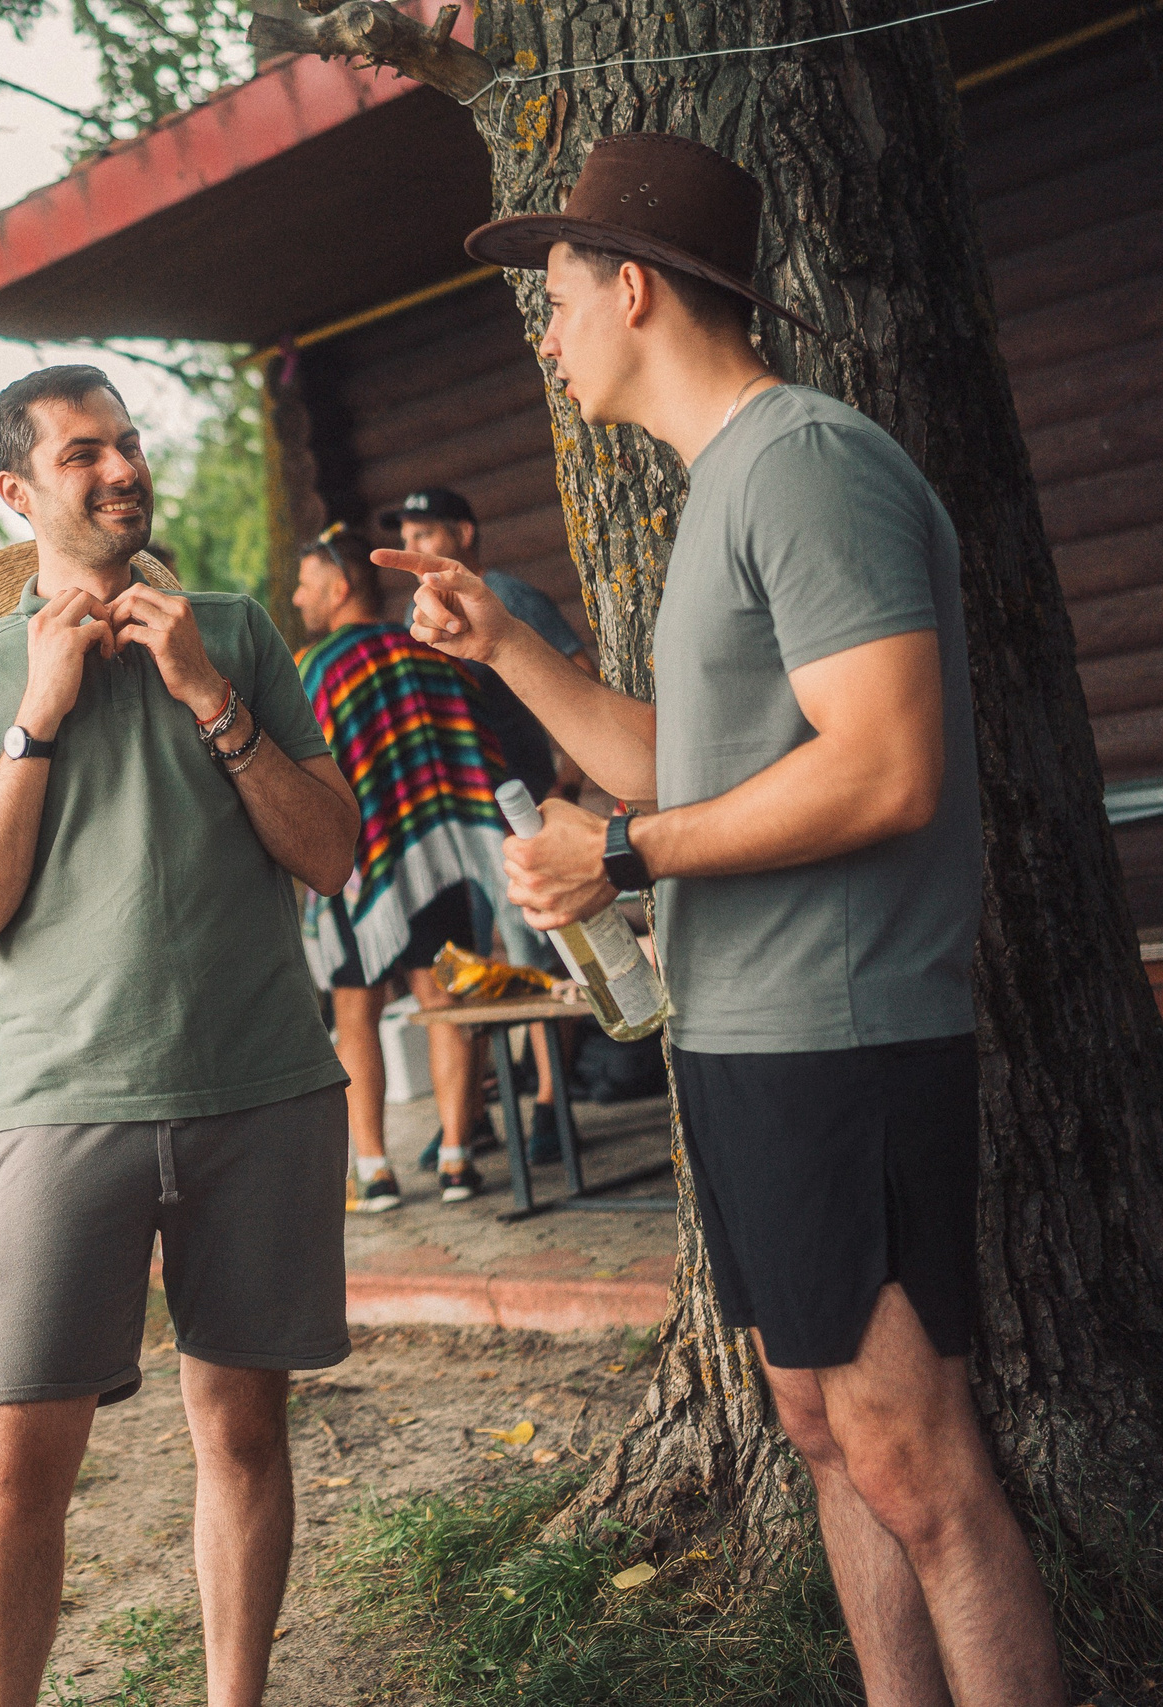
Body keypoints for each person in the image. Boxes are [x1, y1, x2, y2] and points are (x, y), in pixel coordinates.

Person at [401, 131, 1063, 1707]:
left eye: (554, 298)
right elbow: (705, 767)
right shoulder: (726, 491)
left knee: (921, 1466)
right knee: (829, 1434)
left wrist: (622, 856)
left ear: (633, 288)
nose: (545, 337)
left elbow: (889, 767)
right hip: (751, 1042)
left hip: (849, 1035)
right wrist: (505, 647)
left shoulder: (809, 464)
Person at [0, 366, 362, 1707]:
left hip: (263, 1088)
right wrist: (36, 714)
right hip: (61, 1108)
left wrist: (209, 691)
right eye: (83, 451)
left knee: (242, 1426)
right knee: (16, 1458)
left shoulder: (235, 632)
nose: (120, 469)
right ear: (19, 490)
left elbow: (332, 852)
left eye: (128, 442)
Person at [382, 487, 599, 1163]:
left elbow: (579, 675)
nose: (417, 546)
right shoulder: (429, 613)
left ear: (465, 534)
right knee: (485, 958)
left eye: (428, 532)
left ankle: (548, 1107)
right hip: (469, 814)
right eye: (407, 532)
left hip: (522, 801)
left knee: (543, 948)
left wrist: (564, 784)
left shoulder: (503, 591)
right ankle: (472, 1114)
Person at [292, 525, 505, 1209]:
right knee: (444, 998)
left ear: (339, 584)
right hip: (437, 856)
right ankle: (455, 1158)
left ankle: (375, 1168)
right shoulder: (427, 651)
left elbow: (303, 777)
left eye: (305, 583)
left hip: (360, 872)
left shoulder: (315, 668)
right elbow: (475, 739)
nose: (297, 597)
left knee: (357, 1013)